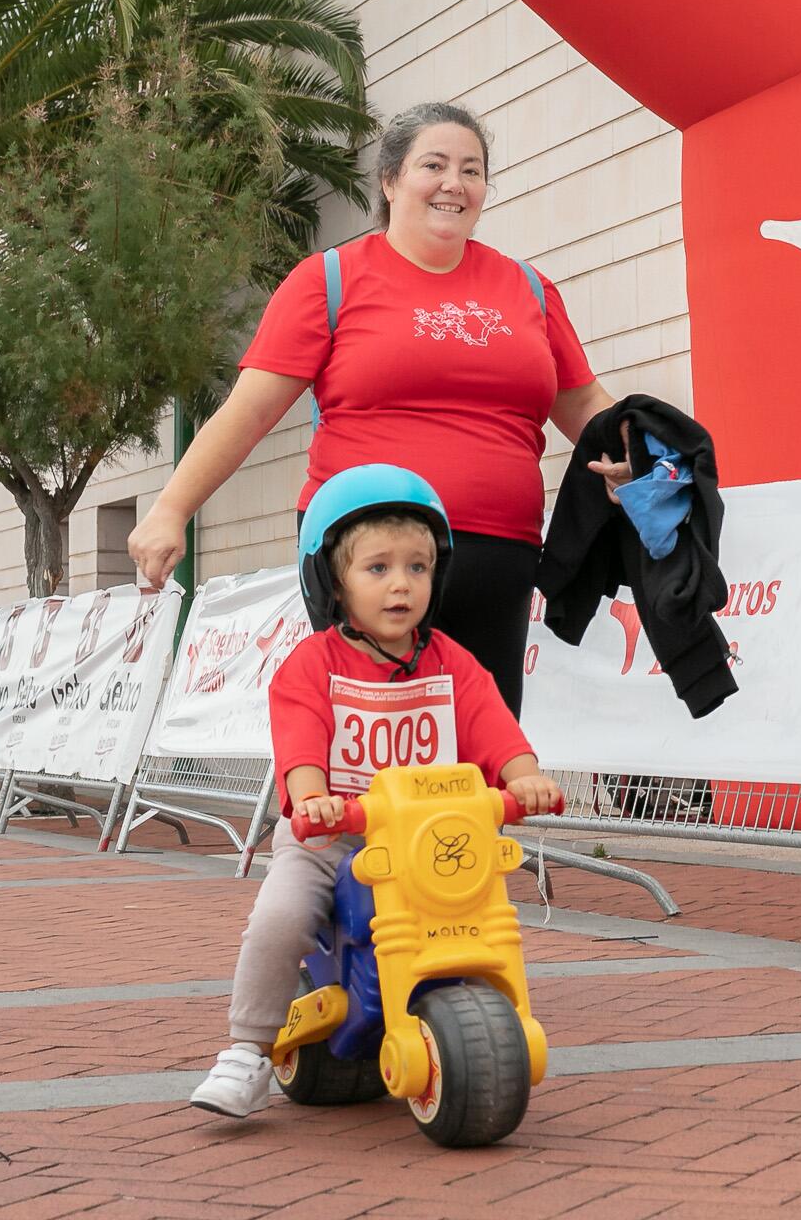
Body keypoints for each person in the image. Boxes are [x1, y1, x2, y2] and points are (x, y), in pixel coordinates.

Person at [129, 102, 630, 718]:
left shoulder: (528, 289)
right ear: (390, 182)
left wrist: (644, 454)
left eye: (472, 170)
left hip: (501, 554)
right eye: (434, 165)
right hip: (366, 548)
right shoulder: (330, 280)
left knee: (481, 745)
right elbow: (249, 413)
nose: (454, 183)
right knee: (379, 749)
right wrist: (169, 510)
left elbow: (583, 404)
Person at [188, 466, 564, 1118]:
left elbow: (496, 730)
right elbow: (301, 748)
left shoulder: (452, 660)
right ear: (334, 583)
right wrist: (313, 801)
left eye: (417, 567)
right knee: (280, 917)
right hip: (334, 838)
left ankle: (471, 1017)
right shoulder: (314, 665)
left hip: (430, 841)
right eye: (378, 568)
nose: (401, 584)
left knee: (478, 916)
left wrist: (524, 777)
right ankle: (246, 1052)